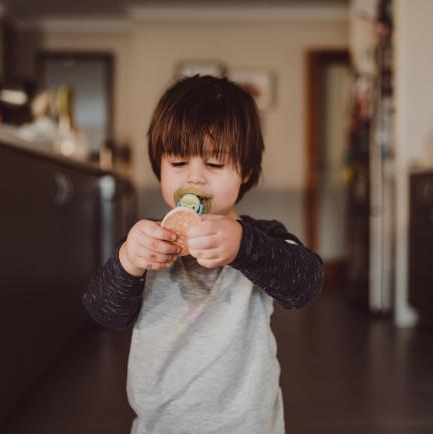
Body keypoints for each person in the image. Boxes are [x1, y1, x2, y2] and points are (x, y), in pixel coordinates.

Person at [82, 75, 323, 434]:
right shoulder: (146, 239)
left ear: (245, 171)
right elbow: (104, 311)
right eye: (178, 163)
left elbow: (305, 284)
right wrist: (128, 261)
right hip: (160, 423)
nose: (194, 179)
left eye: (214, 164)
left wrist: (243, 246)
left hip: (246, 424)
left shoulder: (261, 238)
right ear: (158, 167)